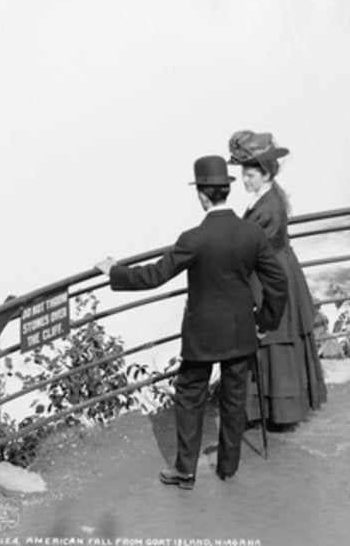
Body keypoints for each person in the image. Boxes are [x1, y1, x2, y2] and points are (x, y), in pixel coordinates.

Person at [95, 156, 287, 489]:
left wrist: (115, 272)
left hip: (203, 335)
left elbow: (154, 276)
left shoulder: (193, 238)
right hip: (241, 328)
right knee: (234, 395)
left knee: (189, 395)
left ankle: (185, 470)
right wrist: (264, 320)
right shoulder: (251, 233)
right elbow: (278, 283)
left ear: (201, 194)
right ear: (227, 190)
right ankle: (228, 466)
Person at [228, 130, 327, 429]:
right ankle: (276, 409)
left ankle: (278, 412)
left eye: (251, 175)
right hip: (278, 267)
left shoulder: (268, 206)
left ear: (265, 173)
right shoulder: (269, 197)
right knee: (277, 337)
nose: (246, 180)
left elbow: (253, 247)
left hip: (270, 274)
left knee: (274, 336)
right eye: (244, 174)